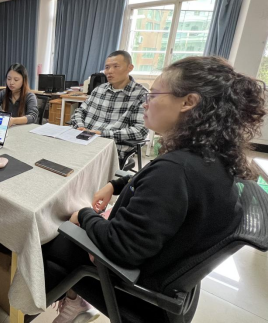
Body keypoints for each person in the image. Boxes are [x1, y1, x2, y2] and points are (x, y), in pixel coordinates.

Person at [44, 56, 266, 323]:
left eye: (153, 95)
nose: (145, 103)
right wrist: (116, 184)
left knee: (49, 238)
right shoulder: (208, 154)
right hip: (168, 275)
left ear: (188, 102)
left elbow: (121, 247)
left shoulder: (175, 171)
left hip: (140, 292)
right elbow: (158, 188)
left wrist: (83, 214)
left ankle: (45, 304)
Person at [71, 51, 149, 169]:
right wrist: (80, 126)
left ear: (130, 68)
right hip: (82, 139)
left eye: (116, 66)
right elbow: (80, 111)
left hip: (110, 148)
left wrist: (102, 134)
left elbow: (140, 131)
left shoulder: (141, 95)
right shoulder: (99, 90)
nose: (110, 71)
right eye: (107, 67)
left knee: (77, 170)